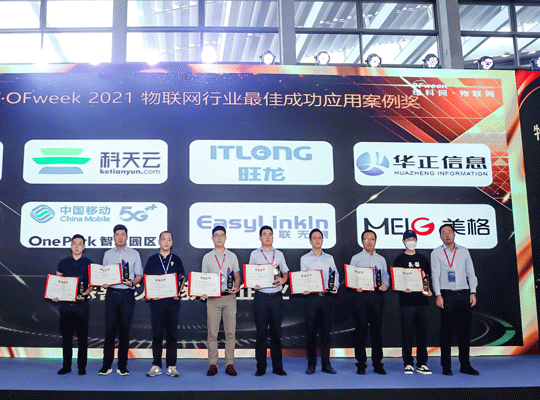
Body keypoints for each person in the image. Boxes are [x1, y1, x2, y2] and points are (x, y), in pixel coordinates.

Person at [431, 224, 479, 376]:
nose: (447, 235)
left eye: (449, 232)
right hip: (447, 295)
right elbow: (435, 275)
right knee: (446, 333)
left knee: (464, 333)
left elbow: (471, 273)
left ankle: (465, 365)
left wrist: (473, 292)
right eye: (443, 232)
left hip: (464, 294)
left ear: (454, 234)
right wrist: (438, 294)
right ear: (440, 236)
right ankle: (446, 366)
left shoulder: (464, 251)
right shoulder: (436, 252)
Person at [98, 224, 143, 376]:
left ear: (127, 237)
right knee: (109, 331)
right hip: (111, 294)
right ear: (114, 237)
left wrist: (132, 283)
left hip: (127, 295)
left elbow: (139, 275)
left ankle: (122, 366)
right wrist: (104, 282)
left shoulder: (134, 254)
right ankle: (106, 365)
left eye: (123, 234)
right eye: (117, 234)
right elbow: (103, 273)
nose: (120, 237)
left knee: (124, 332)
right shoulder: (108, 254)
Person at [249, 225, 289, 376]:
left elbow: (286, 273)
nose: (267, 237)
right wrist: (253, 283)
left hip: (276, 297)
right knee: (261, 334)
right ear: (260, 237)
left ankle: (278, 367)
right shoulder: (254, 254)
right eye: (264, 234)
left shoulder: (279, 254)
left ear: (273, 237)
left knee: (276, 334)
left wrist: (283, 280)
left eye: (270, 234)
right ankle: (261, 367)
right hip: (261, 297)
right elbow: (250, 274)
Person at [144, 231, 185, 378]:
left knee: (172, 335)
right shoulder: (152, 260)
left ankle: (171, 366)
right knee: (157, 335)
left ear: (172, 243)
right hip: (156, 303)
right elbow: (146, 279)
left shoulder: (177, 260)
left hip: (172, 303)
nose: (166, 242)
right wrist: (150, 294)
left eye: (169, 239)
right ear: (159, 242)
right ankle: (156, 365)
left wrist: (178, 292)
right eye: (163, 239)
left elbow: (181, 278)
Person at [201, 226, 241, 377]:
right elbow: (203, 279)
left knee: (230, 333)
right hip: (213, 299)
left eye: (222, 235)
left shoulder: (232, 256)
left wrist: (237, 287)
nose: (219, 238)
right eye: (216, 235)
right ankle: (213, 364)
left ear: (225, 237)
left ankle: (229, 364)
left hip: (229, 298)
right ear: (212, 238)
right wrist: (203, 291)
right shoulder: (207, 257)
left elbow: (237, 276)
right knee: (212, 333)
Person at [349, 229, 389, 375]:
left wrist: (385, 285)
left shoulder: (381, 259)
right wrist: (355, 285)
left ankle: (378, 364)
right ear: (362, 242)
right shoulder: (356, 258)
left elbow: (385, 277)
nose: (369, 241)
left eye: (372, 239)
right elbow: (351, 277)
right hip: (361, 297)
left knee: (376, 332)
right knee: (360, 331)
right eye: (366, 239)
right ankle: (361, 364)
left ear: (375, 241)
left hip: (377, 297)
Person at [393, 230, 432, 375]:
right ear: (403, 241)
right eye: (408, 239)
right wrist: (402, 288)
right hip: (406, 302)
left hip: (422, 302)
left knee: (422, 334)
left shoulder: (422, 258)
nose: (411, 241)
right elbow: (396, 280)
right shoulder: (399, 259)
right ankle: (408, 363)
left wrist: (428, 290)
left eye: (413, 239)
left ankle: (422, 363)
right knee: (407, 334)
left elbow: (427, 277)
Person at [300, 228, 339, 375]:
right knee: (311, 333)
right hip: (312, 298)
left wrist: (336, 285)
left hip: (327, 298)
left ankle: (326, 364)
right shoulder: (305, 259)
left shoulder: (329, 258)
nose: (317, 240)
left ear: (322, 240)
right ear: (310, 241)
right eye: (314, 238)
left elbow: (335, 274)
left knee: (326, 333)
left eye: (320, 238)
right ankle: (311, 364)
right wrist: (303, 287)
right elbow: (303, 277)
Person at [54, 234, 94, 375]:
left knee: (82, 338)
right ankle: (66, 366)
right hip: (65, 306)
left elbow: (92, 284)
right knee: (66, 338)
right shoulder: (63, 262)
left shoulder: (89, 263)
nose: (77, 246)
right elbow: (57, 281)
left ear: (84, 246)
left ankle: (81, 367)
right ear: (71, 246)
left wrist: (85, 293)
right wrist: (55, 294)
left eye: (80, 243)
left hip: (82, 306)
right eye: (74, 243)